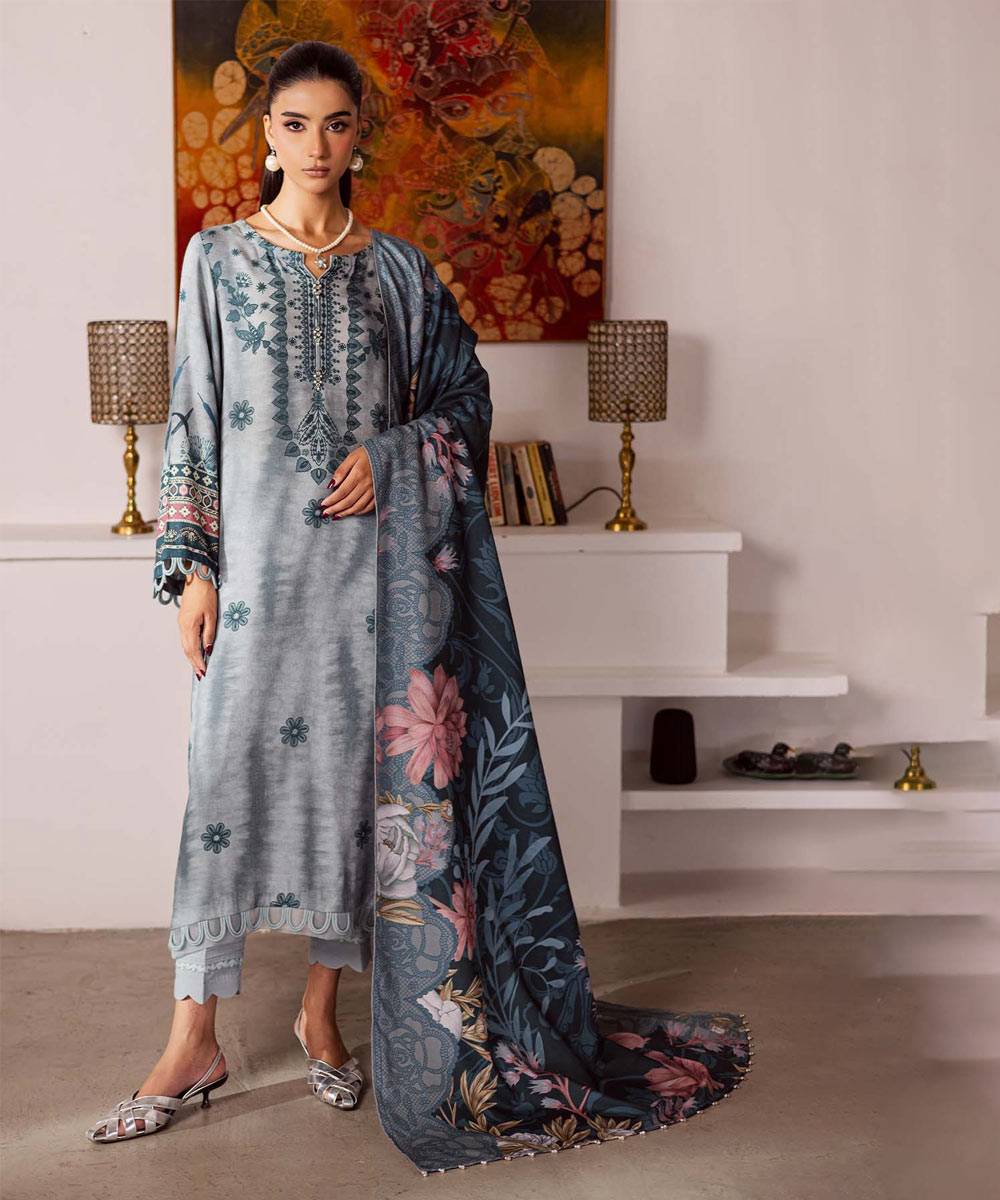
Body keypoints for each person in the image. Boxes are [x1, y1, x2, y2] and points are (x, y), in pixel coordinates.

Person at [86, 41, 753, 1172]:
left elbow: (463, 398)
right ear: (267, 137)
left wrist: (394, 454)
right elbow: (194, 419)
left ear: (360, 137)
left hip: (369, 586)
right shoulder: (217, 260)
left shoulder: (397, 270)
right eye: (294, 124)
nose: (315, 146)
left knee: (359, 803)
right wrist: (193, 569)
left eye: (336, 124)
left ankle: (321, 1015)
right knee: (224, 789)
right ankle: (191, 1040)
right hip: (253, 588)